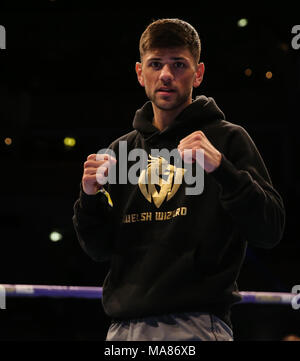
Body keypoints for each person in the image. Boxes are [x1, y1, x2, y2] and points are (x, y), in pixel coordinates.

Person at [73, 18, 285, 341]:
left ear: (198, 73)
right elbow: (99, 249)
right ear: (140, 72)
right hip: (122, 331)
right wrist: (89, 197)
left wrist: (222, 169)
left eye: (178, 64)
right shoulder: (121, 150)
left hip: (195, 325)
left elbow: (269, 229)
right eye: (155, 64)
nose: (166, 75)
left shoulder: (227, 140)